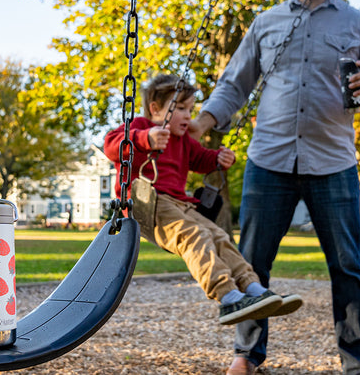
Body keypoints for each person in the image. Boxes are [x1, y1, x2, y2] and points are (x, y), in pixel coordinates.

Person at [187, 0, 360, 374]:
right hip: (270, 161)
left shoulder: (357, 24)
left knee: (347, 269)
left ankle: (359, 365)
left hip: (334, 162)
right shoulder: (266, 23)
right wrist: (203, 122)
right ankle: (246, 356)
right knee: (252, 266)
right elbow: (234, 85)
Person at [104, 73, 304, 327]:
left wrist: (219, 159)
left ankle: (253, 288)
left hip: (181, 204)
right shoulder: (141, 126)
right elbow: (111, 145)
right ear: (155, 109)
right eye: (180, 108)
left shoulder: (183, 140)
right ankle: (228, 296)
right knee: (195, 235)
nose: (189, 116)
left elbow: (200, 159)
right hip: (149, 204)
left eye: (191, 109)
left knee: (219, 236)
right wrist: (146, 139)